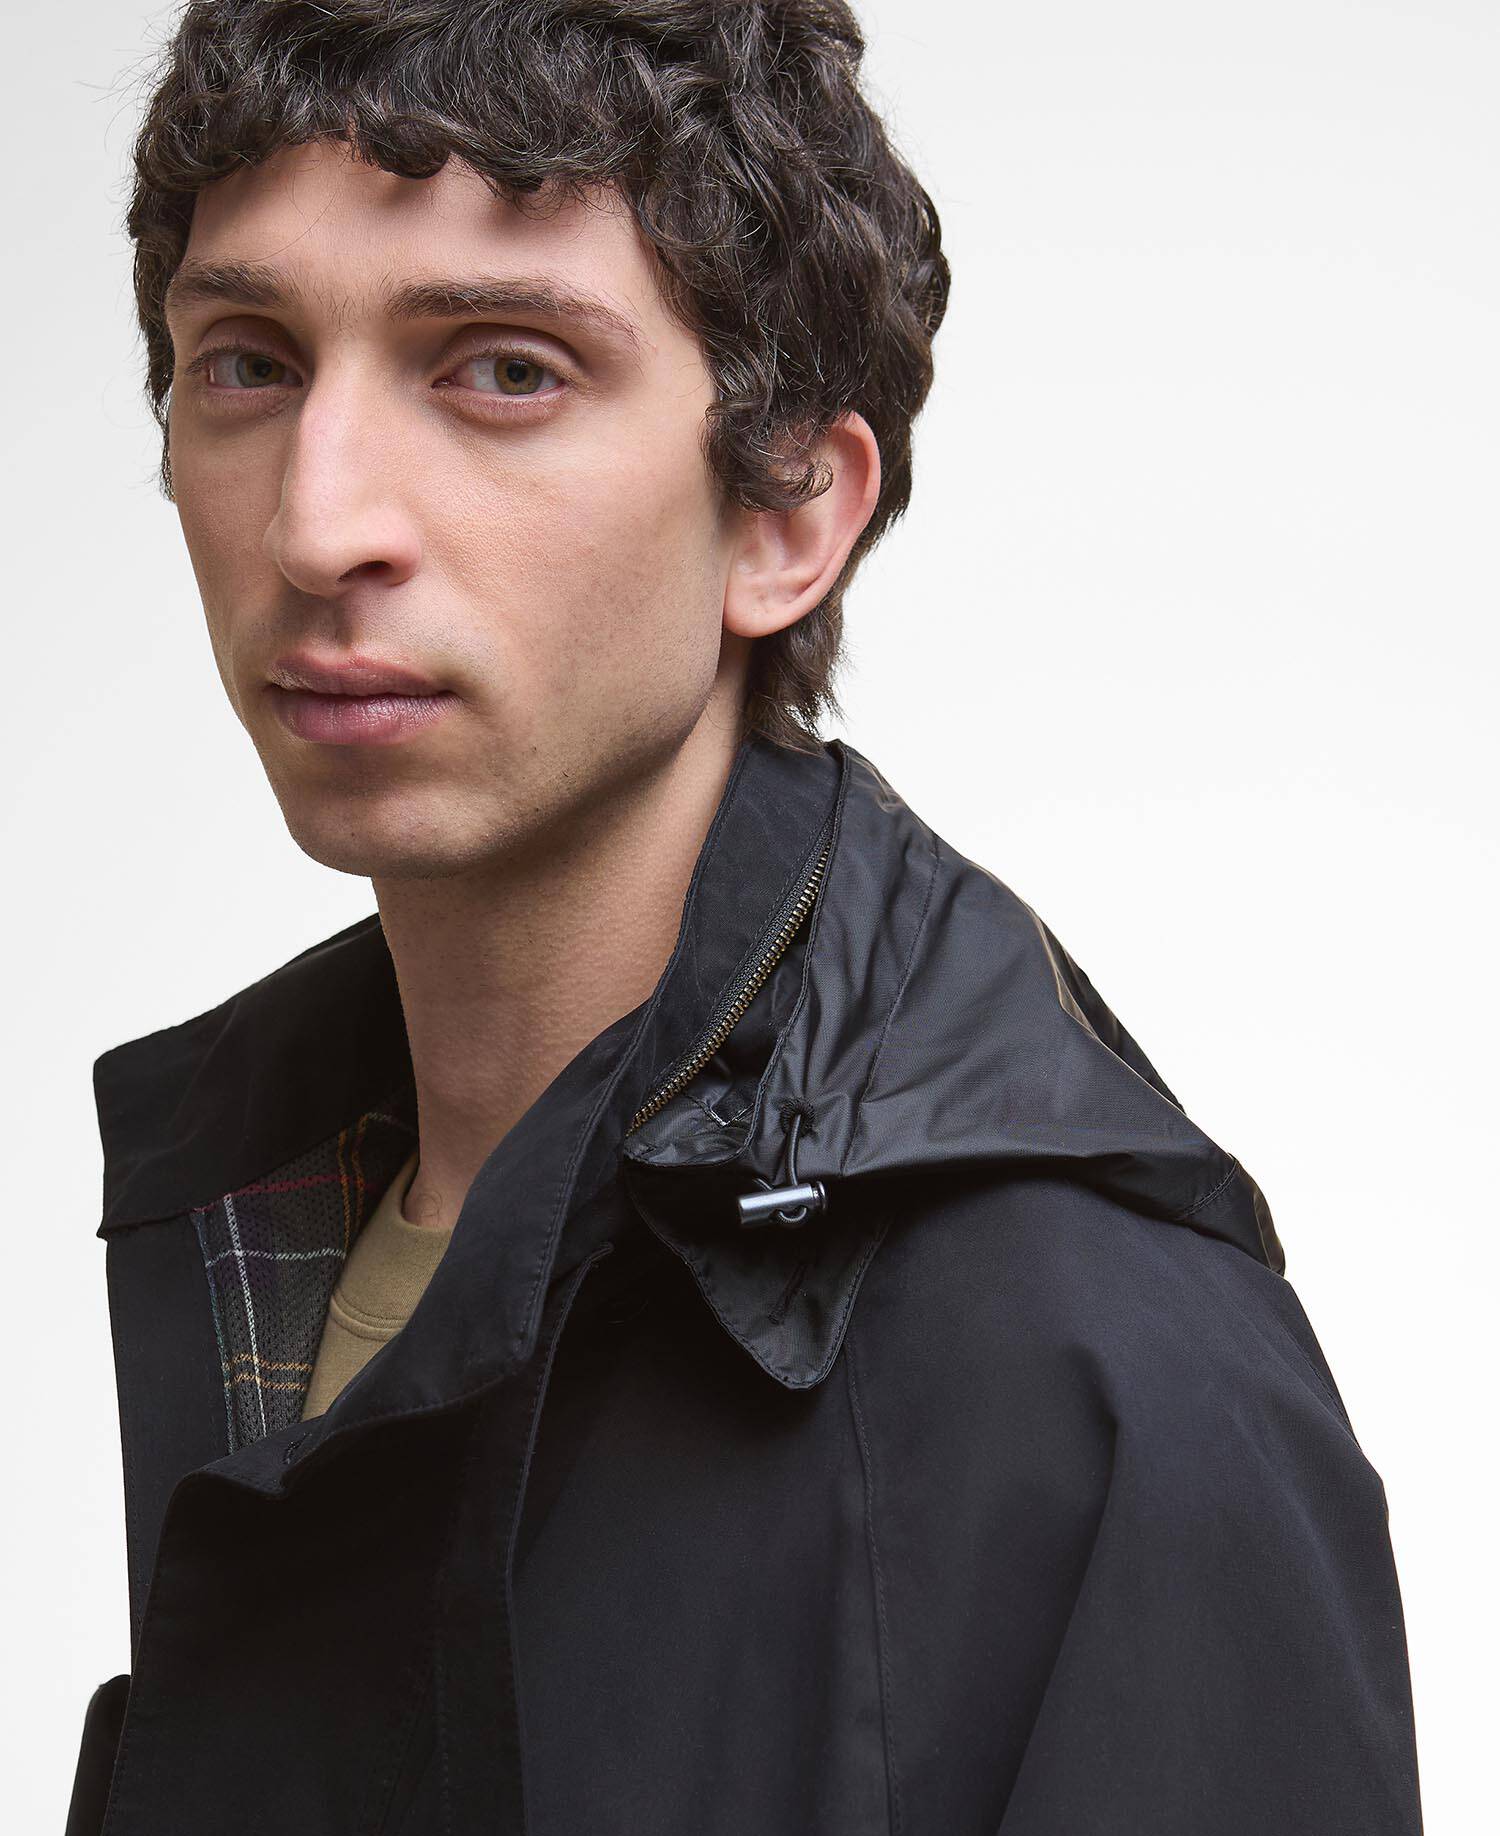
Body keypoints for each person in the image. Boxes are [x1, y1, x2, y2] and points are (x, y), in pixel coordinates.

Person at [66, 3, 1424, 1832]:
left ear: (787, 511)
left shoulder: (1115, 1383)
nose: (319, 526)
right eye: (248, 363)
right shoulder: (264, 1216)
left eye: (504, 370)